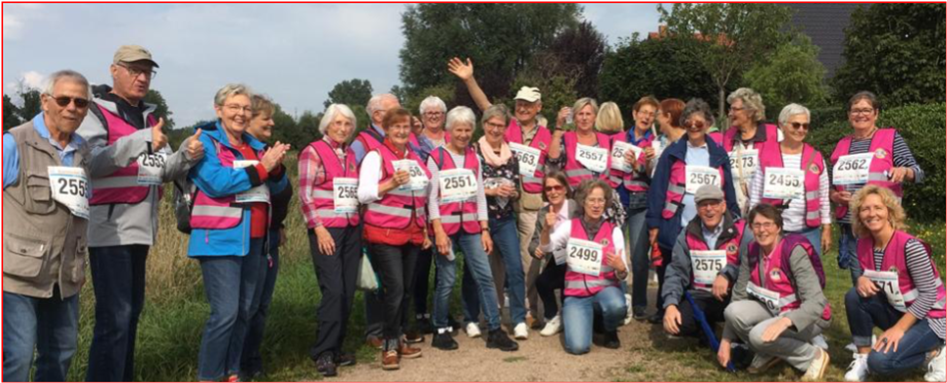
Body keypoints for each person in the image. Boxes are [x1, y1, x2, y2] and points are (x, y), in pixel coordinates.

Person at [77, 45, 203, 382]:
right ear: (113, 70)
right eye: (134, 69)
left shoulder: (148, 116)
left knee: (130, 315)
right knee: (115, 317)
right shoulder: (94, 111)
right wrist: (143, 139)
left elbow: (158, 171)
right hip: (109, 228)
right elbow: (93, 163)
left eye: (147, 71)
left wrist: (186, 156)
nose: (142, 77)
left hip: (141, 226)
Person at [187, 84, 291, 382]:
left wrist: (277, 171)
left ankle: (232, 371)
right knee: (225, 313)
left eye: (246, 108)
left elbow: (279, 190)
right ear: (219, 110)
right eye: (234, 107)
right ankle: (209, 375)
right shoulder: (205, 142)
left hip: (256, 241)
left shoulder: (256, 147)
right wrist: (262, 168)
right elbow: (216, 182)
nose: (241, 113)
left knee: (245, 310)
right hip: (219, 239)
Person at [2, 70, 94, 383]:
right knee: (17, 355)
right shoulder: (14, 143)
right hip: (16, 276)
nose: (72, 107)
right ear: (45, 101)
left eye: (80, 102)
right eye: (64, 99)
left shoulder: (82, 150)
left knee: (62, 352)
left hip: (65, 275)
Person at [449, 57, 552, 329]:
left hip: (527, 203)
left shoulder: (547, 134)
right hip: (490, 212)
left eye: (528, 104)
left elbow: (554, 164)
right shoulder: (507, 127)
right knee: (491, 264)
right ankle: (490, 312)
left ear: (538, 107)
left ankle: (528, 311)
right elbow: (486, 107)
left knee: (527, 262)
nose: (523, 107)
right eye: (519, 103)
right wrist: (469, 79)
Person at [426, 105, 521, 353]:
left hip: (470, 228)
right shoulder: (436, 157)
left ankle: (494, 330)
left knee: (485, 278)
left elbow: (480, 196)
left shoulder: (474, 158)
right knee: (446, 280)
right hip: (446, 227)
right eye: (458, 129)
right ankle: (440, 329)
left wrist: (485, 229)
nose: (463, 135)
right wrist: (437, 230)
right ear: (449, 130)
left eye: (468, 130)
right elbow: (431, 199)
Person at [647, 99, 739, 325]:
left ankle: (701, 310)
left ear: (708, 123)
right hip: (676, 220)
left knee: (700, 266)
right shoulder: (672, 152)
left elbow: (728, 188)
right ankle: (666, 306)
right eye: (689, 122)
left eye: (699, 122)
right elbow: (658, 188)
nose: (694, 126)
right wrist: (654, 223)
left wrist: (735, 218)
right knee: (670, 263)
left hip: (710, 222)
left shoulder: (718, 153)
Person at [842, 186, 945, 382]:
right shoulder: (863, 244)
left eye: (878, 208)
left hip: (932, 318)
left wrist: (899, 329)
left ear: (889, 211)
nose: (872, 213)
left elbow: (929, 294)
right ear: (858, 215)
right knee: (854, 295)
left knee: (880, 363)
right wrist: (862, 279)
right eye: (865, 209)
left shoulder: (911, 246)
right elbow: (875, 280)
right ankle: (863, 357)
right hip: (901, 311)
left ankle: (935, 353)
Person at [719, 204, 831, 381]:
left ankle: (813, 356)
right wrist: (725, 341)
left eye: (768, 224)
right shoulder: (751, 250)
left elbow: (815, 303)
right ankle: (772, 350)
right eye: (757, 225)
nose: (762, 230)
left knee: (758, 336)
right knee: (732, 312)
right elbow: (739, 296)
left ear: (778, 227)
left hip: (810, 317)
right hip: (774, 311)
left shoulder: (793, 251)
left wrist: (785, 322)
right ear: (750, 228)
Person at [357, 108, 431, 371]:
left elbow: (420, 197)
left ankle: (399, 339)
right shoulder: (375, 156)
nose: (401, 132)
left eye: (406, 127)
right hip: (384, 233)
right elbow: (363, 193)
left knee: (407, 289)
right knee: (395, 289)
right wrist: (389, 183)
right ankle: (388, 345)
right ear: (386, 129)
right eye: (396, 127)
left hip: (412, 233)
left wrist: (424, 230)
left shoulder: (414, 158)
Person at [830, 91, 924, 286]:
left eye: (866, 109)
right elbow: (831, 185)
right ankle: (867, 315)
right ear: (848, 115)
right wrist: (836, 196)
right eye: (855, 110)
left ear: (876, 113)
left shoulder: (891, 137)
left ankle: (895, 315)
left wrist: (904, 171)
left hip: (884, 222)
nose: (860, 114)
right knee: (861, 280)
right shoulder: (842, 144)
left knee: (890, 277)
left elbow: (918, 172)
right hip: (853, 224)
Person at [298, 103, 362, 377]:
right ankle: (323, 352)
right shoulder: (313, 151)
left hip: (351, 229)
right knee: (333, 290)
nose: (343, 128)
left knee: (347, 290)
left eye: (347, 124)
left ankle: (336, 348)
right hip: (327, 230)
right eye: (337, 123)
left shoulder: (350, 154)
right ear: (326, 125)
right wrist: (318, 228)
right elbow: (305, 194)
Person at [238, 94, 294, 380]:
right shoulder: (235, 151)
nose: (272, 122)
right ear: (248, 120)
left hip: (270, 237)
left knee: (261, 305)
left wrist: (280, 222)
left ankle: (252, 359)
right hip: (241, 237)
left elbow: (282, 191)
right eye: (266, 118)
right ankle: (233, 365)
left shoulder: (266, 150)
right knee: (243, 305)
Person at [542, 179, 628, 355]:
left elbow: (624, 274)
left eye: (601, 200)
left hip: (605, 291)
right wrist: (546, 229)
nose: (596, 205)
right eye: (591, 200)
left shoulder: (614, 231)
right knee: (578, 348)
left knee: (617, 306)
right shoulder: (569, 226)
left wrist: (620, 268)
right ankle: (586, 319)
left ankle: (609, 328)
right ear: (582, 202)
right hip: (576, 296)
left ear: (606, 203)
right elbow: (546, 247)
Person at [467, 105, 529, 340]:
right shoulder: (473, 152)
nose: (495, 129)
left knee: (515, 267)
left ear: (505, 128)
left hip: (504, 220)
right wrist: (491, 191)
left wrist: (513, 194)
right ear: (484, 125)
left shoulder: (512, 155)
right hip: (478, 219)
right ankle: (472, 316)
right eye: (491, 124)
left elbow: (518, 189)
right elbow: (469, 188)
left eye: (500, 125)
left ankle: (519, 319)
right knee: (477, 270)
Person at [662, 185, 750, 342]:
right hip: (700, 296)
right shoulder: (687, 234)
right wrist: (670, 305)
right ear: (697, 208)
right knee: (676, 325)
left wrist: (728, 273)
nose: (709, 209)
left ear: (723, 207)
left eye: (714, 203)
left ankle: (727, 331)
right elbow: (676, 270)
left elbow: (750, 265)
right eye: (703, 204)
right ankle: (707, 328)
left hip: (734, 296)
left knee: (741, 327)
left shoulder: (743, 230)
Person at [350, 93, 401, 349]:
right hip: (371, 219)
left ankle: (394, 328)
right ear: (378, 115)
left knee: (393, 278)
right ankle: (374, 331)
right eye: (395, 109)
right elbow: (351, 176)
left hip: (397, 221)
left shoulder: (397, 141)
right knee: (376, 276)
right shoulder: (362, 144)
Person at [749, 103, 832, 258]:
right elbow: (756, 194)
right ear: (782, 125)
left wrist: (827, 227)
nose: (801, 130)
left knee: (809, 278)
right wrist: (753, 224)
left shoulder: (816, 157)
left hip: (808, 232)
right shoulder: (765, 155)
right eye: (796, 125)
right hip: (773, 231)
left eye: (805, 126)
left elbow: (823, 196)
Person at [615, 97, 659, 321]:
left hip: (641, 201)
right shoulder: (618, 139)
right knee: (616, 252)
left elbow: (654, 176)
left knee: (640, 256)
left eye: (651, 114)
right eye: (643, 112)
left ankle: (640, 302)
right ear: (634, 114)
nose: (646, 117)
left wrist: (643, 165)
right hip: (619, 199)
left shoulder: (656, 144)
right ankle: (619, 298)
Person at [411, 95, 448, 337]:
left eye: (437, 112)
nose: (433, 116)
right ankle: (420, 312)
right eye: (429, 113)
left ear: (444, 115)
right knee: (422, 266)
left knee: (445, 264)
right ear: (422, 117)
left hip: (448, 210)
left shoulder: (451, 137)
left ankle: (440, 310)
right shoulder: (414, 142)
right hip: (422, 209)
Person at [713, 88, 782, 216]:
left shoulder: (774, 134)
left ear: (750, 112)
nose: (730, 113)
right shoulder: (728, 137)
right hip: (735, 213)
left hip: (767, 213)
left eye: (735, 109)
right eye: (730, 109)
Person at [530, 172, 579, 337]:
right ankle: (552, 316)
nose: (553, 191)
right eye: (549, 188)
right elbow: (534, 241)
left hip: (578, 259)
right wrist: (535, 249)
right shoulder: (543, 212)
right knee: (542, 282)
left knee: (568, 288)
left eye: (557, 187)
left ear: (565, 189)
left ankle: (572, 317)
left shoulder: (576, 206)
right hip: (557, 258)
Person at [548, 98, 618, 189]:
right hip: (575, 196)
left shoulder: (607, 140)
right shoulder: (566, 138)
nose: (584, 118)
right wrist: (558, 125)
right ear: (574, 117)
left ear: (595, 117)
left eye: (588, 114)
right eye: (580, 114)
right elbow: (553, 160)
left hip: (602, 197)